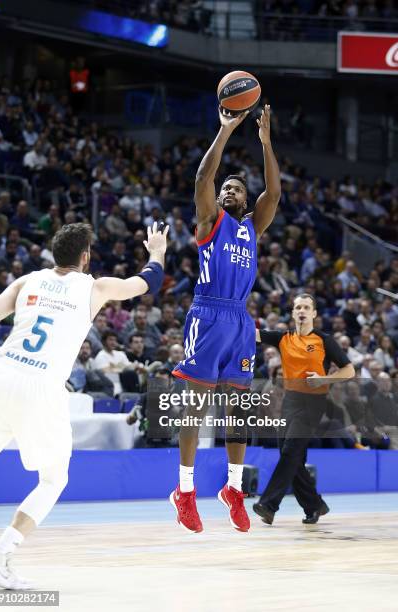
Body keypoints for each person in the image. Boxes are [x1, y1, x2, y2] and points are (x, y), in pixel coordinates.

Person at [0, 221, 168, 589]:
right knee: (54, 479)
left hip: (1, 375)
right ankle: (0, 557)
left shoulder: (27, 282)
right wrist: (156, 252)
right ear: (85, 257)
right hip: (40, 387)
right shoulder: (95, 287)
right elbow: (146, 282)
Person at [170, 104, 281, 533]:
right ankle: (185, 490)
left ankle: (233, 488)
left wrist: (267, 144)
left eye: (237, 187)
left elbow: (273, 193)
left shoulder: (253, 226)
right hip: (208, 312)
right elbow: (202, 179)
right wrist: (225, 130)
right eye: (226, 188)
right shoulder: (209, 222)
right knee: (195, 408)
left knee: (239, 412)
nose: (230, 191)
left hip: (240, 322)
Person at [253, 294, 355, 525]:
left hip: (313, 402)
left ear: (314, 314)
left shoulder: (324, 340)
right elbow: (253, 334)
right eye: (298, 307)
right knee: (292, 457)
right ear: (292, 313)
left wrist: (323, 379)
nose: (301, 310)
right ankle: (314, 505)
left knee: (290, 451)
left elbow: (349, 371)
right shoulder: (283, 338)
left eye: (306, 307)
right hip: (290, 400)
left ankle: (268, 505)